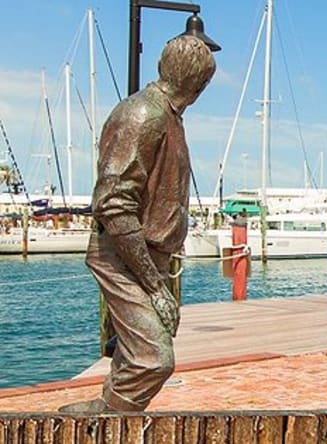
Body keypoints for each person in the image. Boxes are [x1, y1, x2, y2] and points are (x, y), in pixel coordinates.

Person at [58, 35, 216, 413]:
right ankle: (109, 417)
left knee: (135, 355)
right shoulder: (143, 115)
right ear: (201, 85)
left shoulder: (168, 117)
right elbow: (114, 205)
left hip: (149, 256)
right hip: (123, 254)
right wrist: (154, 285)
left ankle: (111, 420)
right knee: (153, 359)